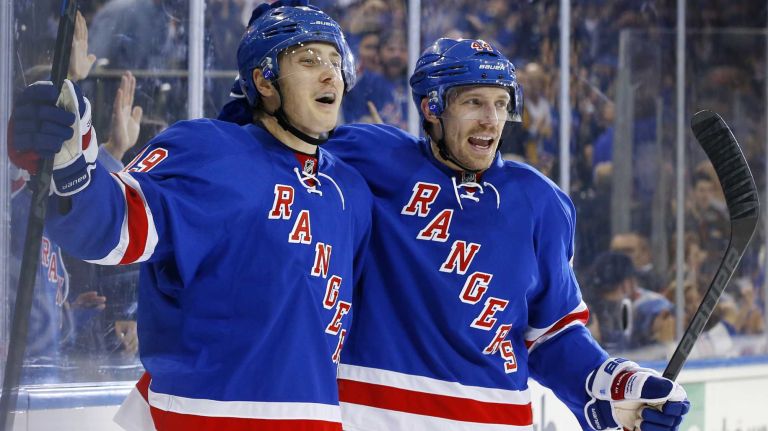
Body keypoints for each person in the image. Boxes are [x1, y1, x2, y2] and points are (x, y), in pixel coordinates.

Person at [10, 2, 371, 431]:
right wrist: (71, 167)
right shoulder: (210, 151)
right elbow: (115, 226)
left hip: (316, 419)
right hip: (207, 417)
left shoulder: (350, 189)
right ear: (264, 80)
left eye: (335, 60)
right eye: (308, 61)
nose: (331, 74)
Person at [321, 38, 690, 430]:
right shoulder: (374, 158)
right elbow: (283, 140)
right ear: (432, 107)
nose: (491, 120)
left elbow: (551, 332)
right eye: (473, 102)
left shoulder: (539, 201)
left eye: (500, 103)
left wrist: (615, 382)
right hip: (376, 418)